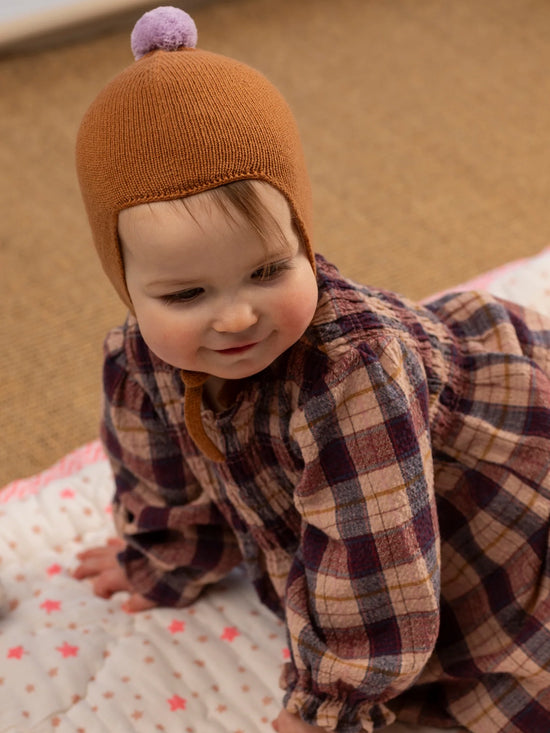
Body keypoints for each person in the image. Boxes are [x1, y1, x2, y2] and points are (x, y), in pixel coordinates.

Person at [73, 6, 550, 732]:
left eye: (268, 269)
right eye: (185, 294)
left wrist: (330, 704)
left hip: (480, 475)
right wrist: (165, 556)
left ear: (304, 236)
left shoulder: (353, 376)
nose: (236, 317)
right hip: (376, 501)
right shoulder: (139, 358)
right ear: (126, 287)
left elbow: (379, 562)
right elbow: (159, 470)